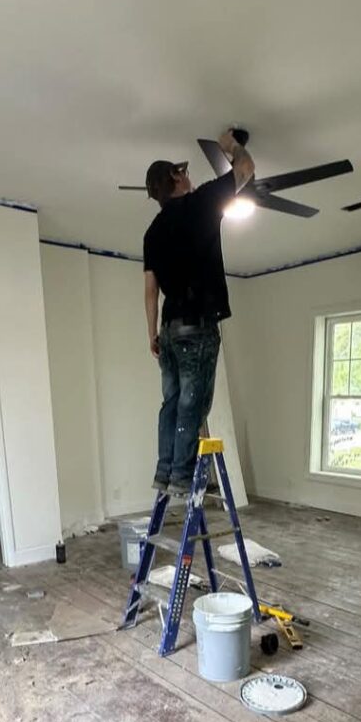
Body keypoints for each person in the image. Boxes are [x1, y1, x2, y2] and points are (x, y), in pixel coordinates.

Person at [142, 129, 255, 495]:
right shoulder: (203, 202)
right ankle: (182, 475)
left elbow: (150, 290)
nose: (188, 174)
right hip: (197, 326)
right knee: (195, 401)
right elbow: (246, 169)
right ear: (176, 177)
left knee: (172, 402)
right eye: (183, 170)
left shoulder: (152, 232)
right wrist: (231, 146)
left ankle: (165, 471)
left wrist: (152, 335)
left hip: (169, 329)